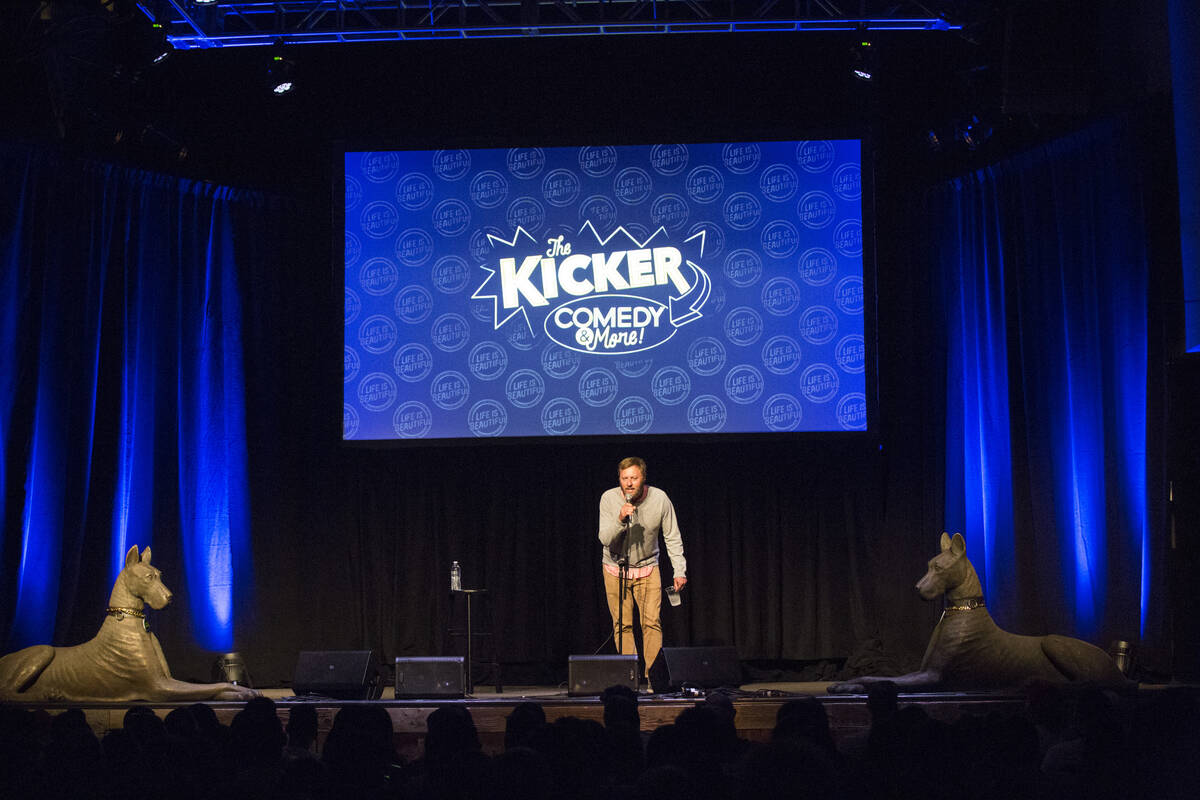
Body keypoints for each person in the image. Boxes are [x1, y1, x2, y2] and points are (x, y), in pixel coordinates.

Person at [598, 456, 687, 683]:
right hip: (615, 568)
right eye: (624, 478)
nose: (629, 483)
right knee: (622, 625)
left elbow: (672, 536)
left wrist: (679, 570)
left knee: (651, 623)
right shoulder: (609, 498)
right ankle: (630, 678)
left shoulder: (660, 499)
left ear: (643, 478)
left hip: (648, 567)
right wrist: (620, 518)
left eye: (634, 478)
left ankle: (653, 678)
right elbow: (604, 538)